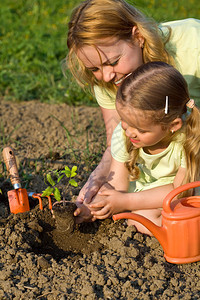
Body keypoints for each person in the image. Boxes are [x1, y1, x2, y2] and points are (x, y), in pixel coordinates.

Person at [66, 0, 200, 222]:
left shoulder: (193, 45)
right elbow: (118, 141)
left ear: (138, 37)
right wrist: (99, 181)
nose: (107, 76)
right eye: (94, 69)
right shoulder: (112, 81)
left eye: (113, 62)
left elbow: (183, 186)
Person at [88, 61, 200, 234]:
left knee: (140, 219)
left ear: (173, 125)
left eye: (140, 129)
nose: (130, 132)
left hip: (185, 193)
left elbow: (179, 192)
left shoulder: (189, 139)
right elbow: (118, 182)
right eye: (124, 121)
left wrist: (126, 202)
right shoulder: (125, 132)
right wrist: (92, 209)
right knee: (124, 208)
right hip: (147, 190)